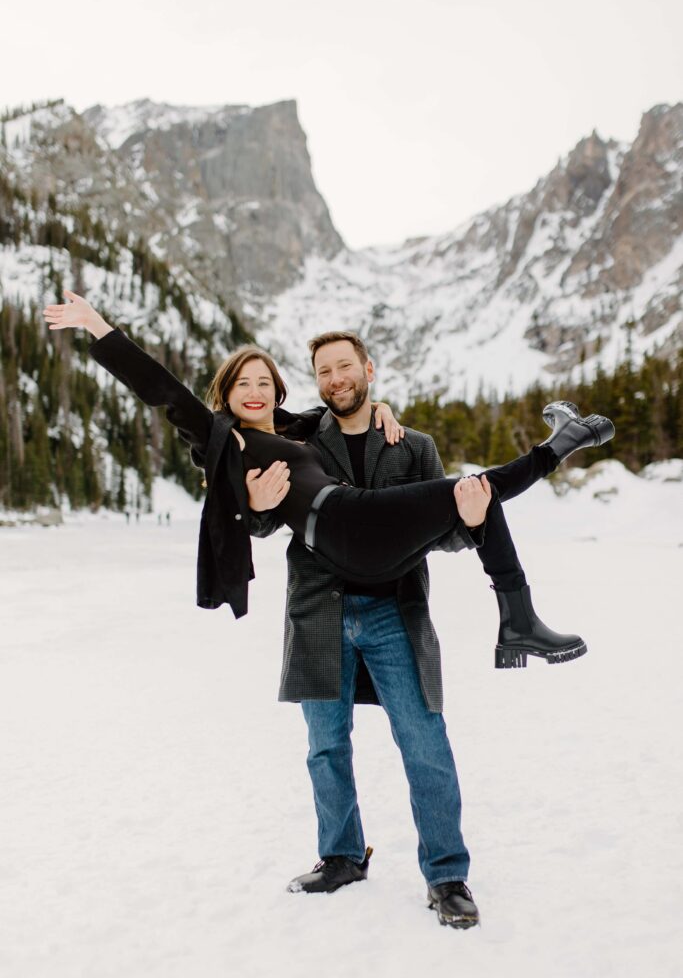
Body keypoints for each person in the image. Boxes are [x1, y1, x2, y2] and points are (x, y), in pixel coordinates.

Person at [44, 292, 614, 927]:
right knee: (326, 745)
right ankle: (343, 855)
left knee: (472, 504)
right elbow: (162, 389)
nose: (256, 392)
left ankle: (448, 872)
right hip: (327, 579)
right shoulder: (222, 439)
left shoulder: (308, 430)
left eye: (267, 382)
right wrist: (98, 328)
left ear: (361, 375)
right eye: (243, 384)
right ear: (225, 395)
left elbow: (434, 523)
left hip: (388, 586)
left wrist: (405, 446)